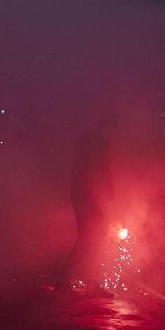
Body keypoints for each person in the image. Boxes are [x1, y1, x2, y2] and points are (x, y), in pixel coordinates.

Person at [65, 118, 118, 293]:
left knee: (89, 239)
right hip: (87, 197)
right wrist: (107, 195)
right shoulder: (97, 144)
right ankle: (88, 282)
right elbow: (97, 172)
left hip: (83, 196)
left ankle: (70, 279)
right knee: (92, 239)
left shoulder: (88, 141)